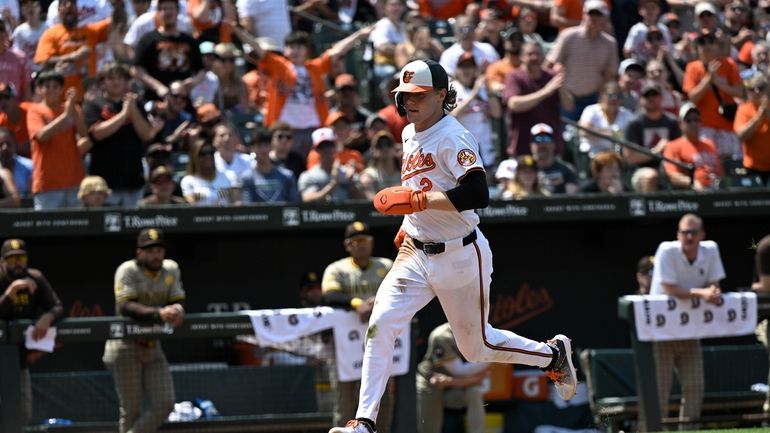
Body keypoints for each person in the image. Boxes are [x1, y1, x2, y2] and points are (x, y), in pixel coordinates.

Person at [328, 59, 577, 433]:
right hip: (415, 250)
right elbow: (419, 189)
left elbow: (478, 193)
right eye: (404, 95)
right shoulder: (409, 133)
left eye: (417, 95)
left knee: (476, 347)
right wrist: (408, 220)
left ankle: (552, 355)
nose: (408, 102)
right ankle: (363, 423)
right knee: (380, 324)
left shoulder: (453, 135)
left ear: (441, 95)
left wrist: (420, 203)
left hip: (460, 252)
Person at [103, 228, 185, 433]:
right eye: (150, 250)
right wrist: (159, 313)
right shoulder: (127, 270)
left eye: (159, 250)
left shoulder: (171, 269)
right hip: (125, 346)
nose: (155, 254)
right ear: (139, 252)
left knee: (165, 402)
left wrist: (178, 309)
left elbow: (178, 299)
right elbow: (126, 306)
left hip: (152, 345)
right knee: (131, 411)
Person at [650, 213, 724, 427]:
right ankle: (652, 431)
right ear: (678, 234)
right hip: (662, 331)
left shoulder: (710, 250)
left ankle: (689, 431)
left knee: (694, 386)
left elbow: (715, 284)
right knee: (659, 390)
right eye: (684, 232)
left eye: (693, 232)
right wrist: (702, 294)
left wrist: (712, 291)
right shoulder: (667, 250)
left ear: (702, 234)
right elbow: (669, 288)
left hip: (690, 330)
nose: (688, 237)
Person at [322, 221, 395, 433]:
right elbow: (331, 295)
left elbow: (403, 290)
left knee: (382, 398)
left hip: (380, 342)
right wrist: (358, 304)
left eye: (365, 240)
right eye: (356, 241)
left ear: (371, 242)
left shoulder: (386, 265)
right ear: (348, 245)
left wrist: (377, 302)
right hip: (346, 347)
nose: (361, 245)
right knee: (344, 399)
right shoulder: (337, 269)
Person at [0, 238, 64, 424]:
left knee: (23, 414)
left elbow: (57, 307)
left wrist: (47, 317)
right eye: (12, 259)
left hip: (19, 361)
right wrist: (10, 293)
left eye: (21, 258)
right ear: (2, 262)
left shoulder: (35, 277)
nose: (18, 263)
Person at [85, 62, 154, 207]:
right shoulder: (94, 105)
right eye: (111, 78)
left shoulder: (136, 104)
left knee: (134, 225)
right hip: (104, 184)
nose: (116, 82)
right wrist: (123, 114)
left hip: (133, 179)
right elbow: (97, 134)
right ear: (102, 82)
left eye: (120, 78)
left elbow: (146, 134)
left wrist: (133, 110)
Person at [27, 69, 90, 210]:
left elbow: (84, 135)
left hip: (74, 181)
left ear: (62, 88)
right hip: (47, 183)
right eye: (47, 86)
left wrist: (73, 109)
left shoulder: (71, 108)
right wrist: (66, 115)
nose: (51, 90)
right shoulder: (35, 110)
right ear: (39, 89)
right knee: (47, 230)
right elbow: (41, 136)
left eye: (56, 86)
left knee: (76, 228)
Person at [417, 322, 490, 433]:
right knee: (429, 429)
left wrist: (451, 382)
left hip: (456, 385)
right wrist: (494, 359)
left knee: (474, 391)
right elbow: (459, 371)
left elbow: (482, 376)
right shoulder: (442, 335)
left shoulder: (483, 330)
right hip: (431, 382)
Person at [663, 102, 723, 190]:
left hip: (716, 188)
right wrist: (693, 183)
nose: (693, 123)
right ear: (680, 124)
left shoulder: (710, 144)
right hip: (693, 192)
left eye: (696, 120)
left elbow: (720, 171)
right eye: (688, 120)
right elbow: (673, 176)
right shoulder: (673, 146)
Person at [734, 74, 770, 186]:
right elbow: (742, 135)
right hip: (752, 168)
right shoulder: (744, 109)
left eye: (760, 87)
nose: (756, 92)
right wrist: (759, 116)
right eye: (751, 89)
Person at [529, 123, 579, 195]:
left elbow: (570, 198)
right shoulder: (525, 170)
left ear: (553, 144)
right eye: (538, 139)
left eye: (547, 139)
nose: (542, 144)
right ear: (531, 145)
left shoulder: (566, 169)